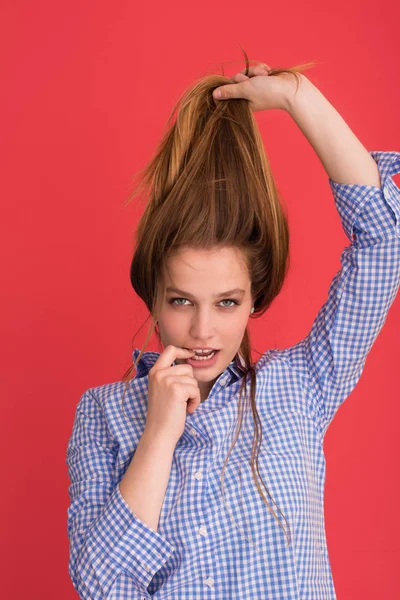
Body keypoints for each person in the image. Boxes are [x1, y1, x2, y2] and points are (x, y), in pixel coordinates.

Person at [66, 52, 400, 599]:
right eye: (180, 300)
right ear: (152, 294)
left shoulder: (300, 388)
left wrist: (297, 96)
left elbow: (385, 241)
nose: (202, 330)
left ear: (253, 300)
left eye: (226, 302)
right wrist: (157, 436)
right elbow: (102, 588)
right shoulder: (104, 416)